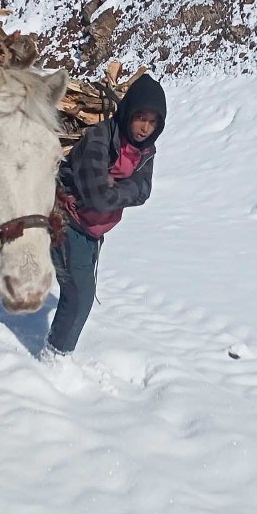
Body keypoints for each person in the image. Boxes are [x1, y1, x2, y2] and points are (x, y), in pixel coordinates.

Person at [44, 73, 166, 356]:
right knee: (79, 296)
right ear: (128, 113)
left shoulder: (145, 150)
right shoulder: (98, 139)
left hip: (92, 230)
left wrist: (117, 186)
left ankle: (56, 354)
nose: (145, 128)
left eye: (152, 122)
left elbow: (144, 190)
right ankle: (55, 357)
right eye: (140, 118)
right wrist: (124, 188)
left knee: (77, 293)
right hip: (68, 220)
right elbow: (97, 197)